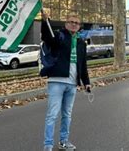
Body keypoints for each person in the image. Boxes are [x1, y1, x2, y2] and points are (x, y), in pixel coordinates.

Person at [41, 12, 91, 151]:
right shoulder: (59, 36)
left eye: (76, 22)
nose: (74, 24)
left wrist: (86, 82)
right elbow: (47, 37)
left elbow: (83, 64)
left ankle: (64, 142)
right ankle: (48, 145)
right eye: (71, 22)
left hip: (72, 84)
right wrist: (46, 22)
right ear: (66, 24)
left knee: (67, 115)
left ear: (79, 26)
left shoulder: (81, 43)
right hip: (56, 81)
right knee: (52, 114)